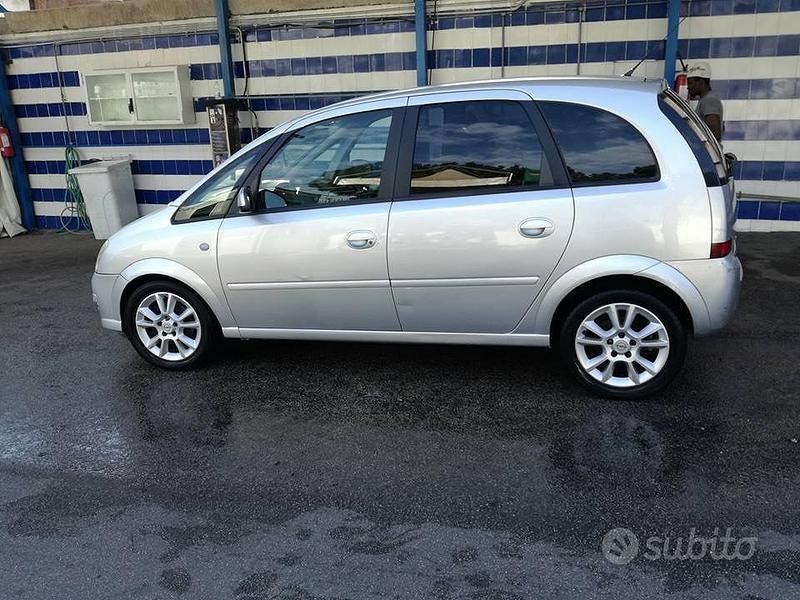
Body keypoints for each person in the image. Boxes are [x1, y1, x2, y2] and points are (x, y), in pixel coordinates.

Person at [686, 62, 724, 142]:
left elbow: (714, 133)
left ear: (700, 82)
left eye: (690, 83)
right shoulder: (706, 100)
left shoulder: (709, 100)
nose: (688, 87)